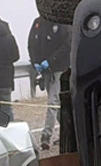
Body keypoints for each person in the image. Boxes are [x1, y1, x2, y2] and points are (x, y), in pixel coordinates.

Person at [27, 16, 72, 150]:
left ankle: (46, 136)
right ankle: (69, 131)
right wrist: (35, 61)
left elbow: (67, 45)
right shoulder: (37, 23)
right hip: (45, 70)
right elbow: (31, 44)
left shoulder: (61, 23)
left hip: (59, 69)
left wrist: (50, 61)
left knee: (53, 102)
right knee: (56, 105)